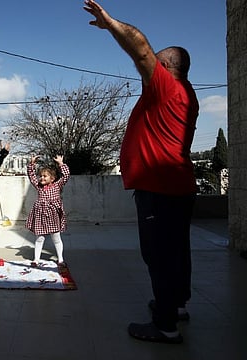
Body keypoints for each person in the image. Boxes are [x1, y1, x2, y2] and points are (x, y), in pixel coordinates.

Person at [84, 1, 199, 344]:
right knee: (177, 250)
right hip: (178, 185)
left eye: (155, 65)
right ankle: (175, 306)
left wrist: (111, 24)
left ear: (164, 67)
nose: (145, 70)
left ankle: (165, 326)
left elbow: (141, 48)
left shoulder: (166, 88)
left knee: (159, 255)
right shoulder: (186, 94)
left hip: (158, 188)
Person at [26, 155, 70, 268]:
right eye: (40, 176)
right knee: (39, 238)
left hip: (53, 215)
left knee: (56, 238)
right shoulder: (39, 186)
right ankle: (36, 259)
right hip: (41, 215)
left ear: (52, 178)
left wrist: (61, 164)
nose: (42, 178)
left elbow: (65, 176)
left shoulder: (57, 185)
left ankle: (60, 259)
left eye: (45, 176)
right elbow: (31, 177)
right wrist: (32, 164)